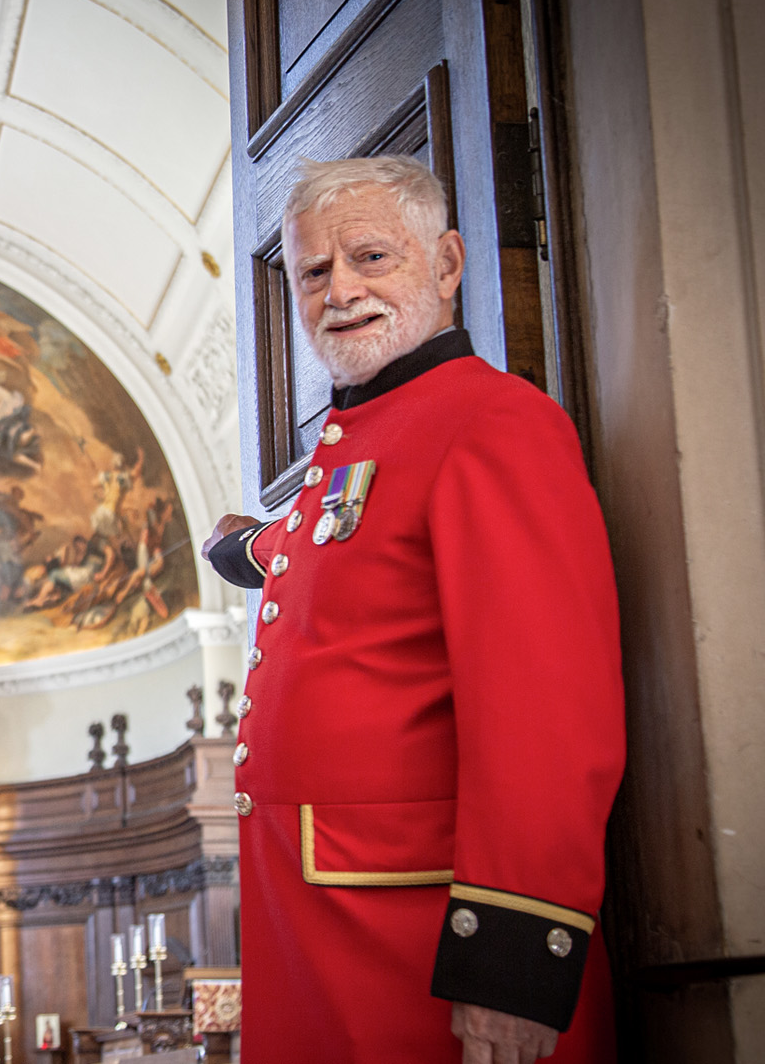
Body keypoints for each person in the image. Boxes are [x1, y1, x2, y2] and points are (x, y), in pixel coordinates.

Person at [201, 156, 623, 1064]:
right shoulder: (356, 446)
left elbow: (547, 713)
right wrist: (243, 550)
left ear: (446, 264)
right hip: (324, 929)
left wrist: (511, 957)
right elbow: (318, 552)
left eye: (371, 258)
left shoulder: (491, 424)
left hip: (419, 936)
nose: (340, 289)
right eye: (316, 271)